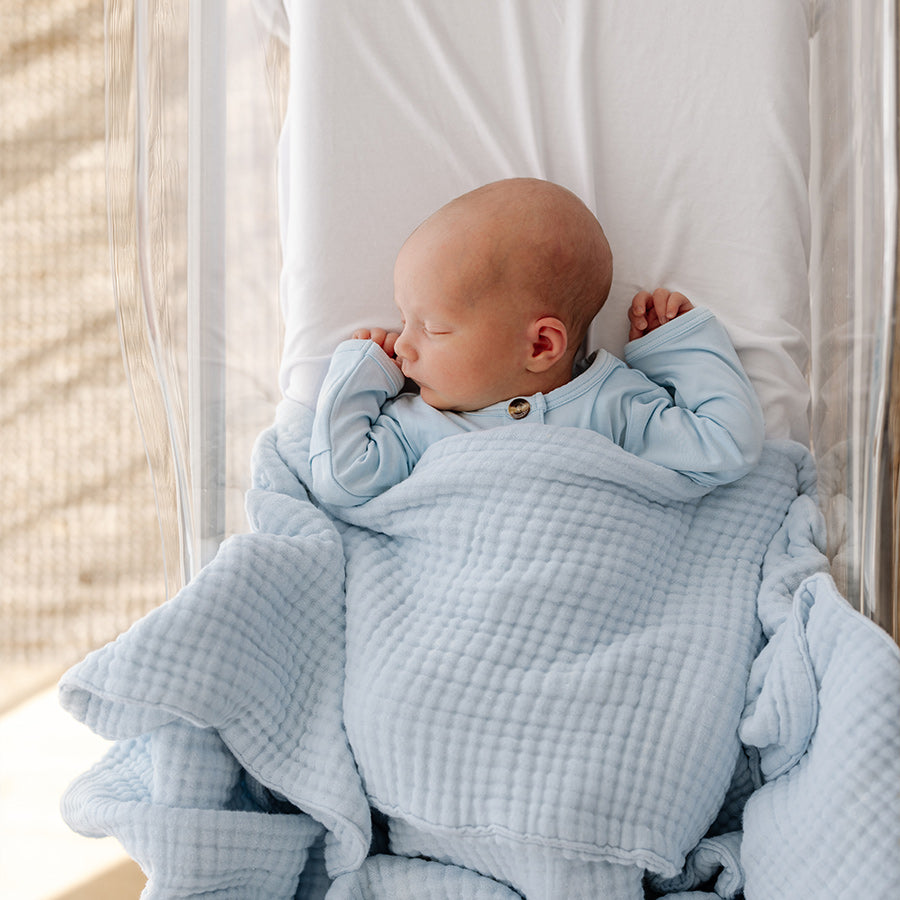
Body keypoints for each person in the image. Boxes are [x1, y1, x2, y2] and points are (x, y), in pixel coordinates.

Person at [308, 177, 764, 508]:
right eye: (405, 320)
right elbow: (342, 479)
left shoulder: (613, 405)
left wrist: (675, 348)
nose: (402, 347)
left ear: (542, 345)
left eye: (433, 329)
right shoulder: (417, 426)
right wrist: (363, 372)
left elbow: (726, 447)